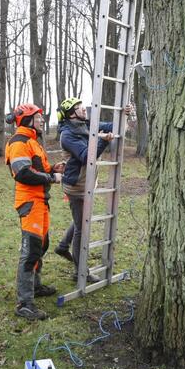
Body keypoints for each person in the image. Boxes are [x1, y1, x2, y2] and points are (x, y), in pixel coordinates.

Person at [55, 98, 129, 282]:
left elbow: (114, 126)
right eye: (79, 108)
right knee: (82, 227)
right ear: (71, 114)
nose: (84, 110)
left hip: (87, 183)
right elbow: (87, 156)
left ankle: (63, 246)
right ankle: (80, 272)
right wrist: (103, 140)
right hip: (76, 186)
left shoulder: (86, 124)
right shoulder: (67, 135)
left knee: (81, 218)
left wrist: (124, 115)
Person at [4, 103, 64, 320]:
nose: (41, 120)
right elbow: (23, 174)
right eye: (38, 117)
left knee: (42, 245)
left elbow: (39, 169)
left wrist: (53, 169)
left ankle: (35, 287)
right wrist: (51, 178)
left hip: (41, 201)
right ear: (27, 120)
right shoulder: (19, 142)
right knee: (30, 252)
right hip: (29, 202)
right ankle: (24, 303)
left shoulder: (32, 142)